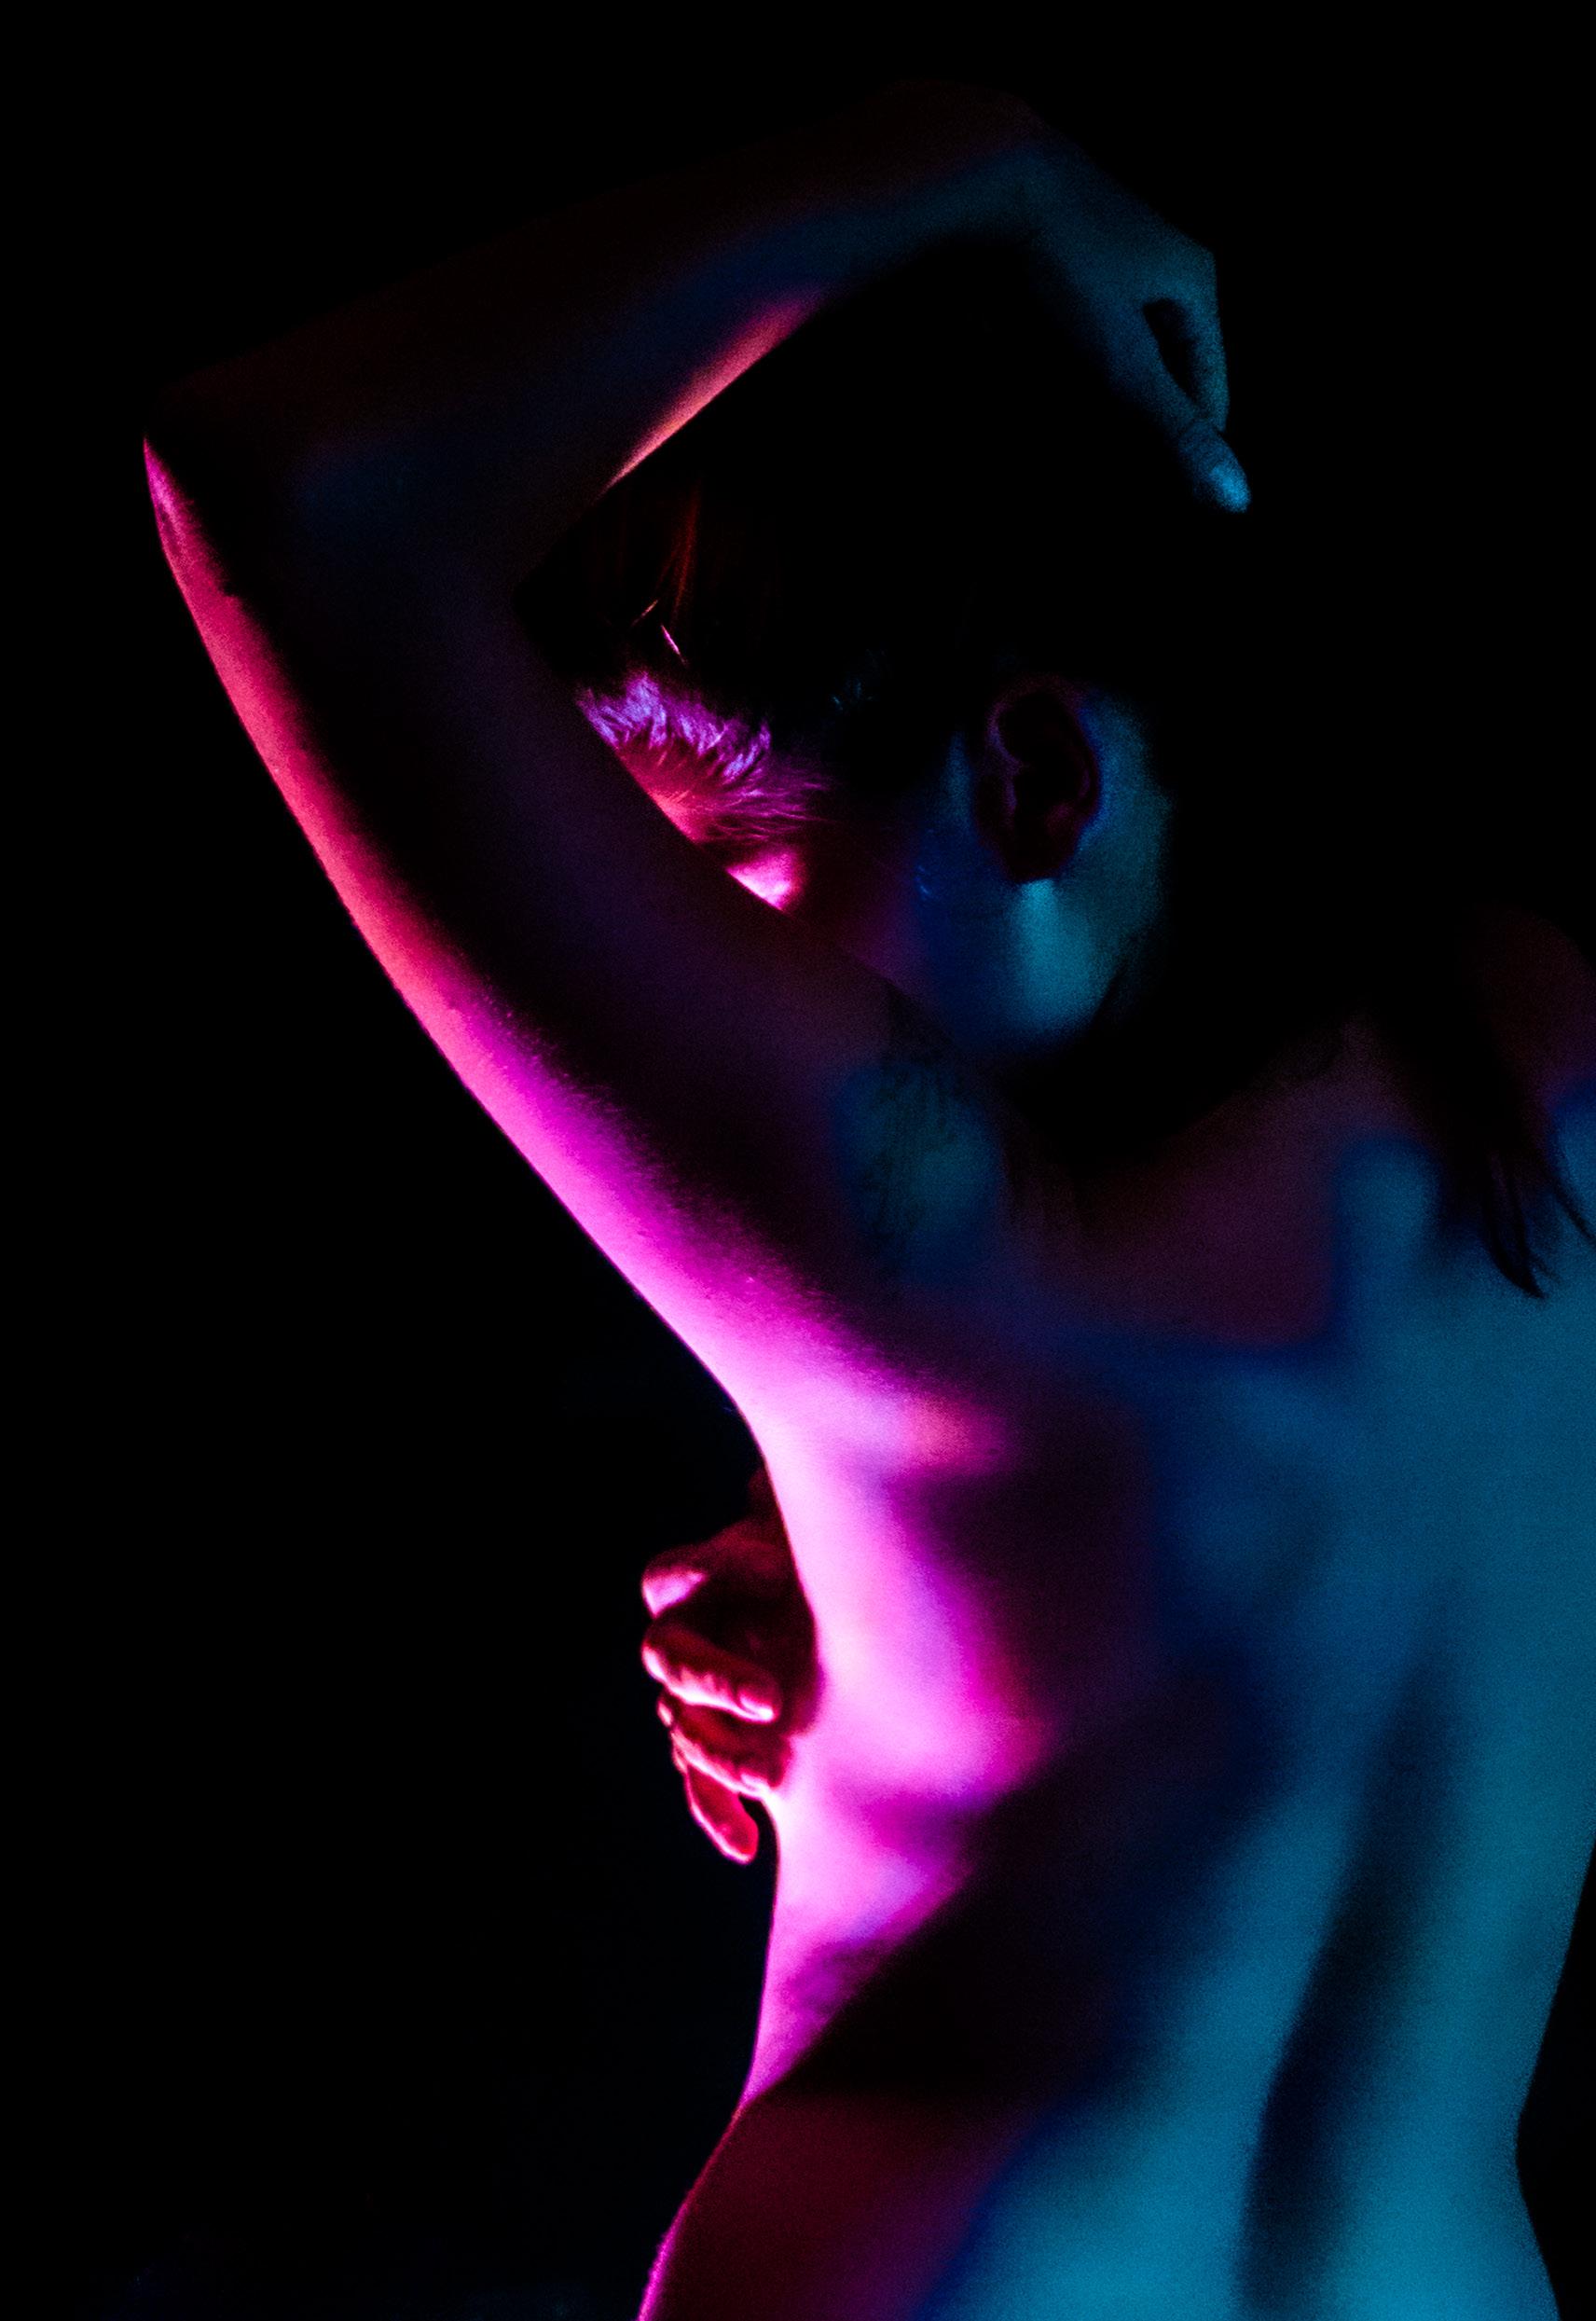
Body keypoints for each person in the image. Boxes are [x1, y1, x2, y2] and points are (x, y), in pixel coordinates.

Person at [142, 76, 1595, 2319]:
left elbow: (296, 498)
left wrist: (967, 163)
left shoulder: (933, 1263)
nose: (714, 992)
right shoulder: (1541, 1061)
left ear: (1032, 770)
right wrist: (835, 1531)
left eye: (739, 886)